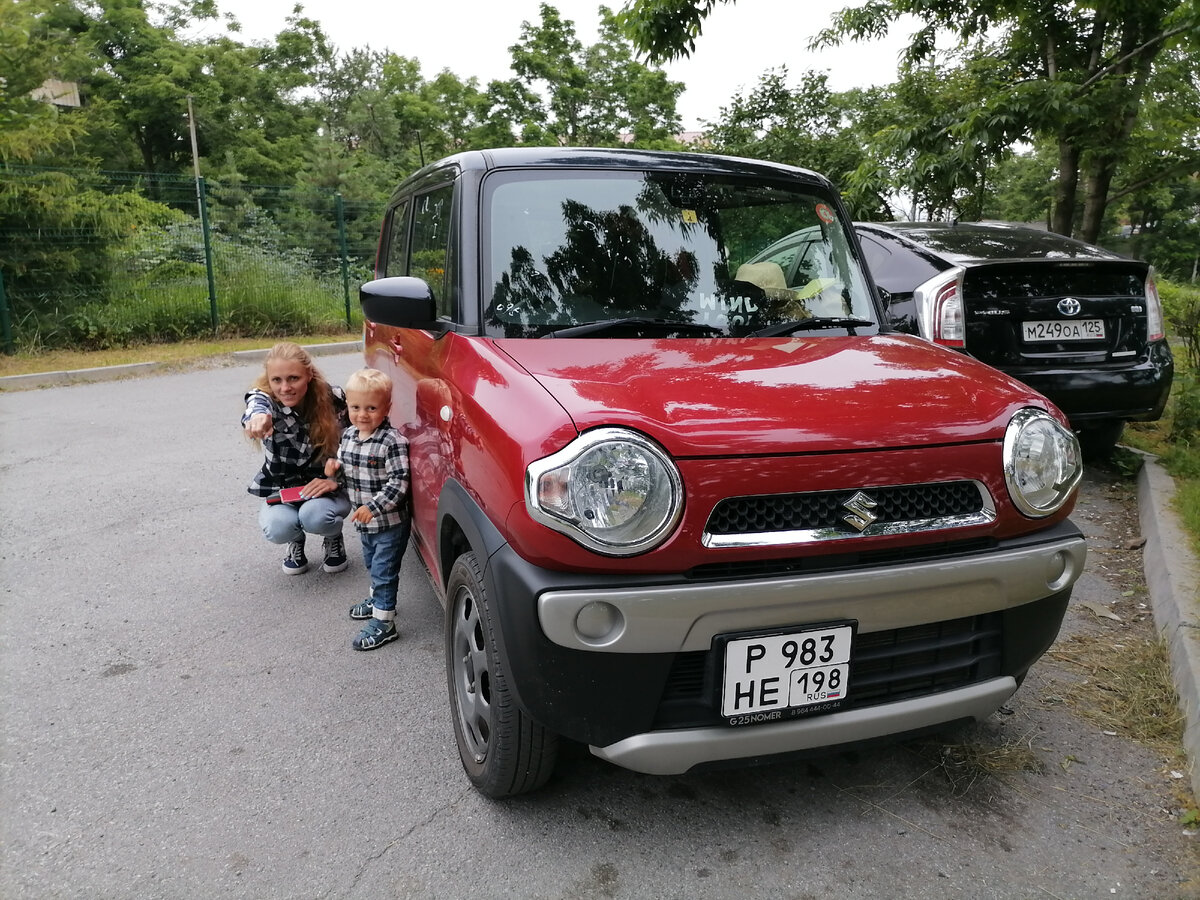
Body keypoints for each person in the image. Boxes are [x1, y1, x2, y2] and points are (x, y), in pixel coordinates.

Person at [241, 342, 351, 575]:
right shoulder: (266, 401)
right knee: (277, 527)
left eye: (293, 378)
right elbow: (255, 403)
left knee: (316, 516)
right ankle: (295, 539)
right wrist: (258, 417)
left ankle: (333, 537)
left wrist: (337, 480)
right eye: (277, 380)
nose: (285, 388)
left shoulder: (334, 399)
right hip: (284, 490)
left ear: (308, 375)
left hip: (326, 487)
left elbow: (356, 444)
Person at [324, 368, 411, 651]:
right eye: (356, 407)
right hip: (364, 523)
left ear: (386, 408)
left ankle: (384, 622)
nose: (362, 414)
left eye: (371, 408)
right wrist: (333, 472)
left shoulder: (392, 442)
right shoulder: (348, 437)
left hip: (388, 523)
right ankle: (377, 601)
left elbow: (399, 483)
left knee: (384, 572)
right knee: (373, 566)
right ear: (347, 406)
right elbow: (345, 477)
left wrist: (373, 507)